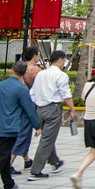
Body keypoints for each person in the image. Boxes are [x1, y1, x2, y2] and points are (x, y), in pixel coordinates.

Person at [0, 61, 41, 189]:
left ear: (11, 71)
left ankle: (8, 184)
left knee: (3, 154)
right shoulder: (21, 89)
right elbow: (29, 109)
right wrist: (37, 126)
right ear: (24, 73)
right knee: (3, 156)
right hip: (9, 128)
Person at [28, 50, 76, 180]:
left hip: (39, 108)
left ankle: (54, 161)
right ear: (60, 60)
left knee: (48, 137)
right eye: (64, 60)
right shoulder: (61, 75)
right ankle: (36, 171)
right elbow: (66, 94)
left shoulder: (41, 73)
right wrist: (72, 109)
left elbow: (32, 93)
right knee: (47, 140)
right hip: (53, 109)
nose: (64, 63)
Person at [9, 47, 41, 175]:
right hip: (28, 102)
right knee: (23, 133)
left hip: (15, 102)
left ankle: (27, 159)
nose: (38, 57)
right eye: (38, 55)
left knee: (22, 131)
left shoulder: (17, 68)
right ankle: (8, 163)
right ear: (34, 56)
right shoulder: (36, 71)